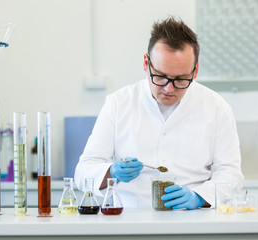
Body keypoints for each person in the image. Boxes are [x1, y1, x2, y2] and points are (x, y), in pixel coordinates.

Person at [74, 16, 244, 209]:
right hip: (130, 221)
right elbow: (83, 172)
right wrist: (111, 172)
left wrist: (198, 197)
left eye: (181, 79)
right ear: (146, 63)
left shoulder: (216, 107)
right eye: (161, 76)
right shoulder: (118, 103)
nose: (168, 88)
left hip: (193, 221)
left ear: (195, 71)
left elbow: (231, 174)